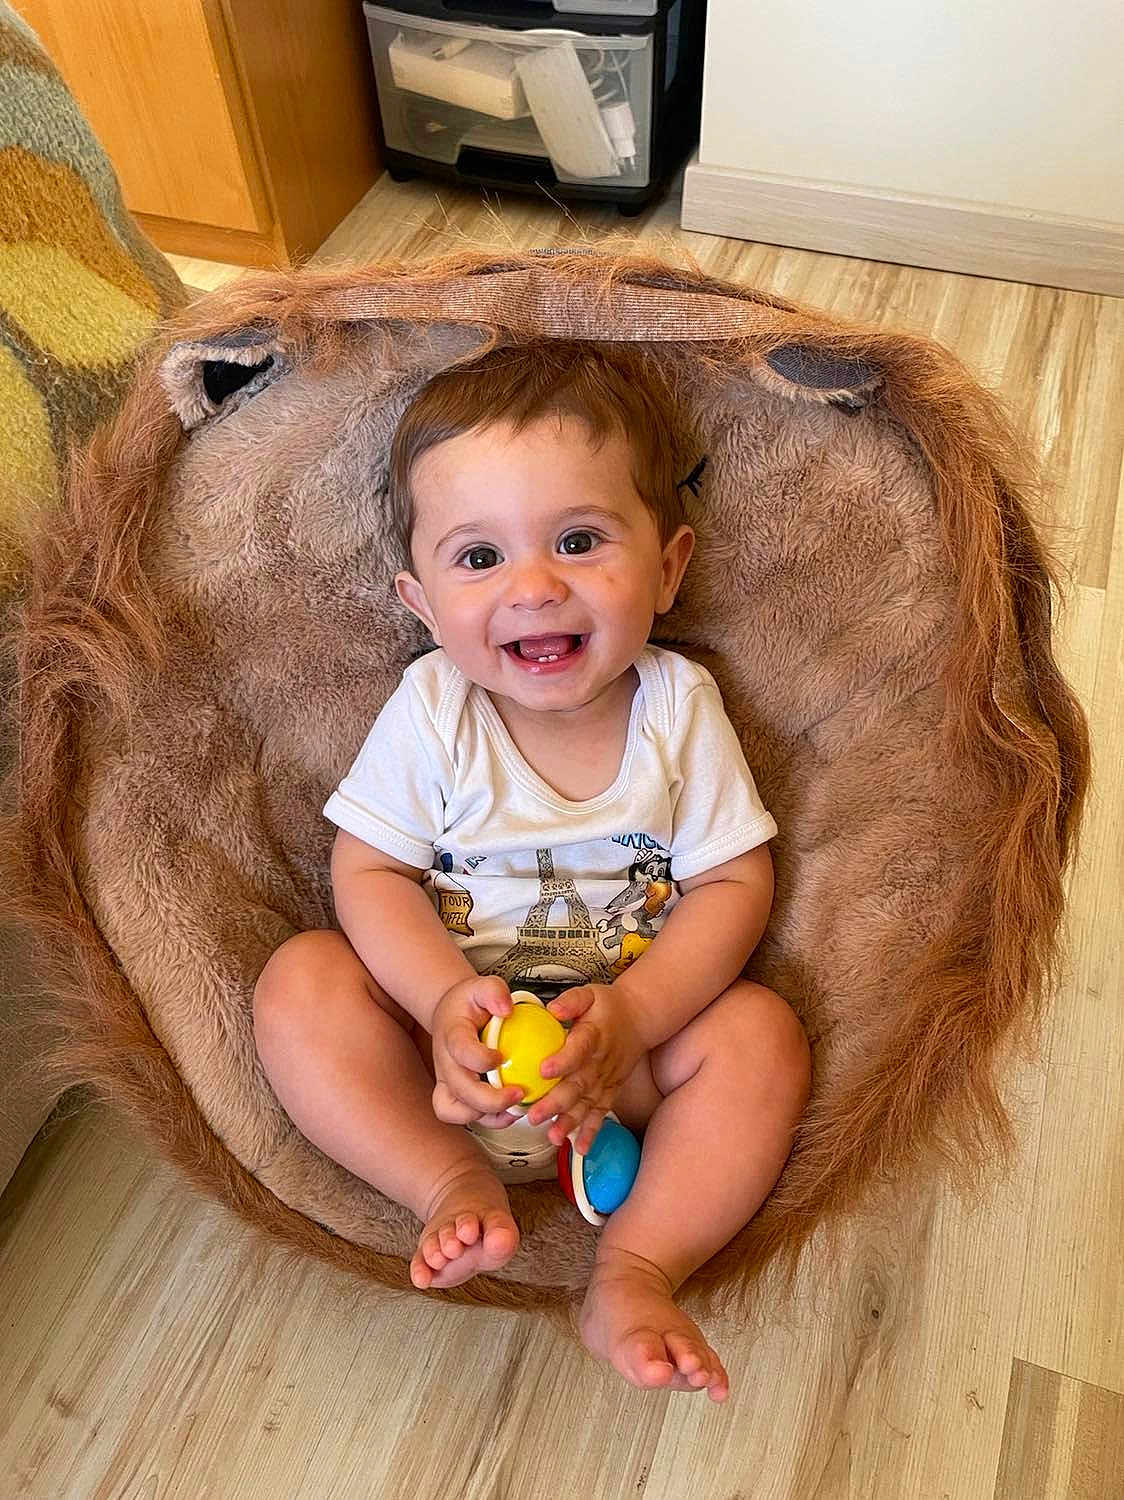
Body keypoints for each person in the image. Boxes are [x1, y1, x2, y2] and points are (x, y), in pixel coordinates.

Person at [252, 342, 811, 1403]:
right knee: (301, 982)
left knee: (760, 1037)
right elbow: (367, 872)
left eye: (578, 540)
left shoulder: (676, 707)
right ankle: (447, 1183)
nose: (534, 586)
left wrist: (640, 1018)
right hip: (446, 1067)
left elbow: (735, 885)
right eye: (478, 560)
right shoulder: (434, 710)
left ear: (667, 566)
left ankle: (636, 1269)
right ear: (419, 603)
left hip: (624, 1069)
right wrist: (436, 998)